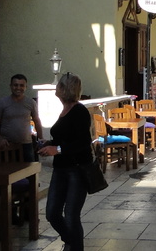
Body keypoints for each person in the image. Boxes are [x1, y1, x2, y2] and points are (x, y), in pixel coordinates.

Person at [38, 73, 93, 251]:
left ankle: (74, 247)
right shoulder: (64, 110)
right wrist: (49, 144)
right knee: (52, 213)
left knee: (71, 215)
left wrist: (58, 150)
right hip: (61, 169)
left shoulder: (79, 111)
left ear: (64, 88)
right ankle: (71, 241)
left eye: (59, 85)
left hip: (76, 169)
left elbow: (84, 142)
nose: (56, 88)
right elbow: (65, 137)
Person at [0, 74, 44, 162]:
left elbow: (37, 121)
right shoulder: (2, 103)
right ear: (11, 86)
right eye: (15, 85)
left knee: (29, 170)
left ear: (26, 87)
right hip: (7, 145)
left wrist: (41, 139)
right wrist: (0, 139)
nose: (18, 88)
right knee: (7, 170)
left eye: (21, 85)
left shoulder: (31, 103)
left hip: (26, 145)